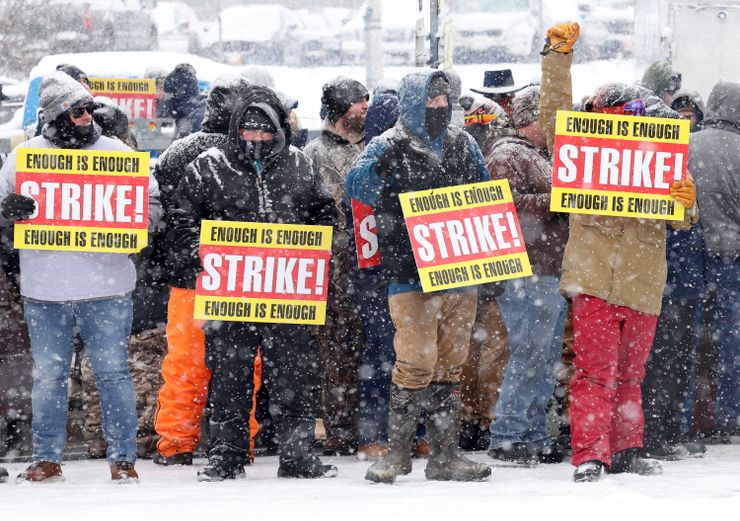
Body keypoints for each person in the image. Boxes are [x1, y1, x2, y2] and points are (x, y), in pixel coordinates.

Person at [538, 23, 698, 482]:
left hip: (643, 281)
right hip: (594, 281)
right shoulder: (582, 152)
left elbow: (683, 217)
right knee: (594, 373)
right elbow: (554, 116)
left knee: (630, 374)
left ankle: (626, 448)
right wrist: (556, 58)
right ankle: (591, 453)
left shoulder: (661, 157)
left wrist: (688, 203)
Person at [168, 85, 337, 481]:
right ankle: (227, 454)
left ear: (279, 130)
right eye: (248, 132)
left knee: (293, 374)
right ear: (235, 130)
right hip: (229, 291)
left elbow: (324, 212)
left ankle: (297, 454)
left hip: (288, 291)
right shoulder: (207, 166)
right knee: (229, 375)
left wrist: (321, 243)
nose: (256, 140)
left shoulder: (300, 165)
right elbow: (180, 219)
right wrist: (198, 251)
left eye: (265, 132)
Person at [0, 71, 162, 483]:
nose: (87, 116)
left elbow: (153, 202)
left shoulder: (119, 154)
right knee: (50, 377)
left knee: (113, 374)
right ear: (56, 115)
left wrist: (138, 227)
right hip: (45, 288)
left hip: (107, 286)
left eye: (89, 109)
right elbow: (1, 208)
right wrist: (8, 213)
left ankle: (123, 459)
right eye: (78, 111)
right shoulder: (22, 158)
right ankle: (47, 458)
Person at [346, 69, 492, 483]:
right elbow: (357, 192)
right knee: (414, 362)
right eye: (431, 101)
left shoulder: (463, 143)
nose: (439, 108)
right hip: (410, 274)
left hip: (461, 272)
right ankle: (397, 454)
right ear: (413, 102)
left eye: (444, 100)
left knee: (451, 364)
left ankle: (445, 455)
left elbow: (485, 193)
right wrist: (379, 170)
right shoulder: (386, 145)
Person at [152, 78, 251, 466]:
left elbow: (165, 219)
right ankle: (241, 440)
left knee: (184, 366)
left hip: (189, 278)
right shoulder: (248, 153)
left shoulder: (178, 153)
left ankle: (177, 443)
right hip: (242, 276)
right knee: (244, 368)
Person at [486, 85, 569, 465]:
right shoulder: (506, 154)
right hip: (526, 271)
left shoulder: (543, 155)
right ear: (529, 119)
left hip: (550, 269)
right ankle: (508, 432)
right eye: (546, 117)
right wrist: (560, 199)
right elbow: (502, 206)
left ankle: (534, 432)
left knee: (546, 355)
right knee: (529, 354)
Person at [641, 88, 708, 460]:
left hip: (680, 280)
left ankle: (667, 429)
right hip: (664, 280)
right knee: (661, 360)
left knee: (677, 359)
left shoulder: (679, 164)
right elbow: (665, 227)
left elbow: (689, 221)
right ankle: (656, 432)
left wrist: (689, 210)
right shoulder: (652, 166)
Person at [305, 76, 369, 456]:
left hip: (374, 262)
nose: (365, 106)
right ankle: (340, 427)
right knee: (336, 350)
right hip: (334, 264)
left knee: (371, 346)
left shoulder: (375, 148)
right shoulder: (313, 153)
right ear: (340, 107)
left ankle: (369, 425)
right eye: (358, 101)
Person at [688, 81, 740, 439]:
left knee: (687, 338)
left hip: (688, 255)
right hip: (731, 258)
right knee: (731, 342)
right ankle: (729, 415)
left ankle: (689, 415)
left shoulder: (687, 145)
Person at [163, 63, 206, 141]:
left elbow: (168, 100)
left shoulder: (170, 79)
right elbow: (194, 96)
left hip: (182, 113)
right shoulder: (190, 79)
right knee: (184, 136)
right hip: (185, 113)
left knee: (179, 138)